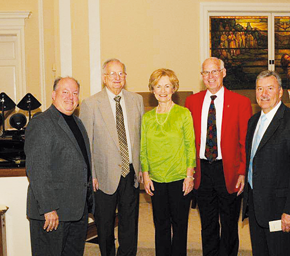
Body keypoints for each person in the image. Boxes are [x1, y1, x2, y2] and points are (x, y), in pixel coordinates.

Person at [242, 70, 290, 256]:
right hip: (257, 209)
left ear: (280, 92)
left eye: (270, 88)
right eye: (259, 89)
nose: (264, 94)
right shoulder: (253, 121)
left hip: (281, 211)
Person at [185, 57, 252, 256]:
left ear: (224, 73)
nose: (211, 76)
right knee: (208, 223)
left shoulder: (241, 102)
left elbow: (244, 142)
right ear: (201, 76)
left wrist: (243, 172)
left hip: (229, 170)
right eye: (206, 72)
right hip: (202, 170)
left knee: (230, 223)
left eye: (215, 71)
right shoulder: (192, 101)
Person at [79, 58, 144, 256]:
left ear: (125, 77)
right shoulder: (90, 104)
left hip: (130, 171)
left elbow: (142, 138)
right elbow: (86, 144)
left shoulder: (136, 100)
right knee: (105, 224)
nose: (117, 78)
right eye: (112, 74)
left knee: (129, 221)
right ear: (104, 77)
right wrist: (92, 175)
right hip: (104, 174)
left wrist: (141, 169)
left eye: (121, 73)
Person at [26, 77, 94, 256]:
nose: (70, 97)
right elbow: (37, 170)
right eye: (65, 92)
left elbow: (83, 163)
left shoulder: (78, 123)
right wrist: (48, 208)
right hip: (52, 213)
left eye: (75, 93)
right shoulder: (41, 123)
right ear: (53, 95)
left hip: (76, 211)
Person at [140, 69, 196, 256]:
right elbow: (143, 149)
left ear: (174, 89)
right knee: (161, 225)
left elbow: (190, 147)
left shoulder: (183, 114)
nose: (162, 91)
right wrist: (146, 176)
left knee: (180, 225)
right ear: (153, 90)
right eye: (158, 86)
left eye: (167, 86)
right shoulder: (147, 118)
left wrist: (190, 175)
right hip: (156, 179)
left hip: (179, 178)